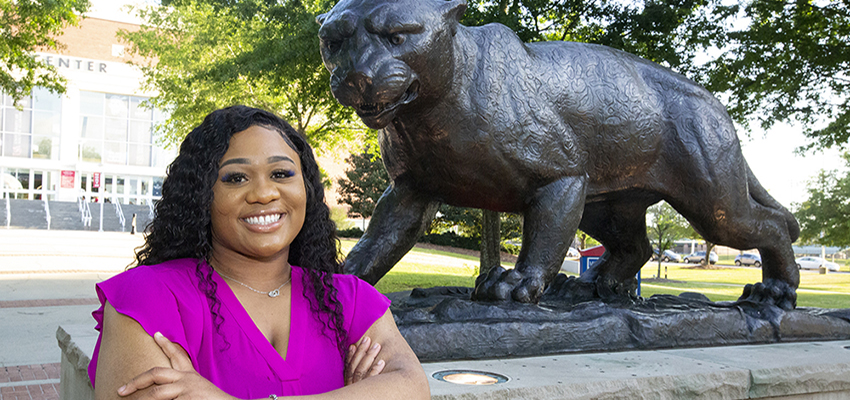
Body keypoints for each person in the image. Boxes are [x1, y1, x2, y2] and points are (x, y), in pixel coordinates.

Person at [88, 105, 430, 400]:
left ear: (306, 188)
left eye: (281, 173)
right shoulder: (150, 297)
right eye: (236, 178)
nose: (264, 193)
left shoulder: (350, 300)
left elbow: (412, 388)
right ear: (202, 196)